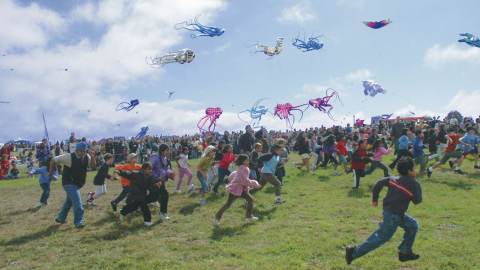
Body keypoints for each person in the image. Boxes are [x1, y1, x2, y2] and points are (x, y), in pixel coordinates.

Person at [346, 157, 422, 265]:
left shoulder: (393, 179)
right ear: (410, 171)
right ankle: (353, 253)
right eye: (414, 168)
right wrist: (416, 183)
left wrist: (374, 200)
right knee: (381, 238)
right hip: (394, 216)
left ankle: (405, 252)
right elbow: (417, 201)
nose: (415, 170)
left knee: (413, 225)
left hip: (392, 212)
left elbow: (378, 184)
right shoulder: (414, 184)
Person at [50, 142, 95, 228]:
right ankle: (79, 222)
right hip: (68, 183)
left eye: (84, 151)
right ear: (76, 150)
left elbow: (93, 167)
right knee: (77, 202)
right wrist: (51, 173)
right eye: (80, 151)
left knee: (69, 201)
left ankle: (60, 218)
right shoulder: (68, 157)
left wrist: (92, 157)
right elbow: (53, 160)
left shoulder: (87, 157)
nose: (82, 153)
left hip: (78, 184)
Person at [213, 154, 261, 225]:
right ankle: (217, 218)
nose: (248, 161)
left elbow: (237, 177)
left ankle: (248, 217)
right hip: (236, 189)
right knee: (228, 204)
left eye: (248, 159)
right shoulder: (245, 168)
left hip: (238, 189)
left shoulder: (241, 167)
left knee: (250, 200)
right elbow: (244, 181)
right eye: (246, 160)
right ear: (243, 161)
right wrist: (255, 183)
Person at [118, 162, 158, 227]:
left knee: (134, 206)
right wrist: (119, 171)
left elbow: (152, 184)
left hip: (142, 195)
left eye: (151, 169)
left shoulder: (150, 176)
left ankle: (123, 212)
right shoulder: (136, 174)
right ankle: (147, 221)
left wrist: (157, 184)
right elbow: (127, 174)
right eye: (149, 169)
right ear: (144, 169)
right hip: (134, 194)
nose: (150, 170)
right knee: (144, 207)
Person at [253, 140, 285, 204]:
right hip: (266, 172)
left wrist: (282, 164)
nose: (282, 151)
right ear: (276, 150)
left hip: (266, 173)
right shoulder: (270, 155)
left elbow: (275, 165)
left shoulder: (277, 157)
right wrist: (259, 167)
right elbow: (260, 158)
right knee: (278, 184)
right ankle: (278, 200)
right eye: (281, 150)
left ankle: (245, 194)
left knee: (259, 187)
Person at [150, 144, 175, 220]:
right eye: (167, 150)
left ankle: (163, 213)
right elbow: (149, 168)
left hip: (161, 180)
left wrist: (170, 173)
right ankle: (162, 213)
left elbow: (166, 169)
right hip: (155, 180)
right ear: (162, 150)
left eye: (168, 150)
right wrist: (156, 177)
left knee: (162, 196)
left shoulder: (166, 159)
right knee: (164, 195)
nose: (168, 152)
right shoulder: (155, 158)